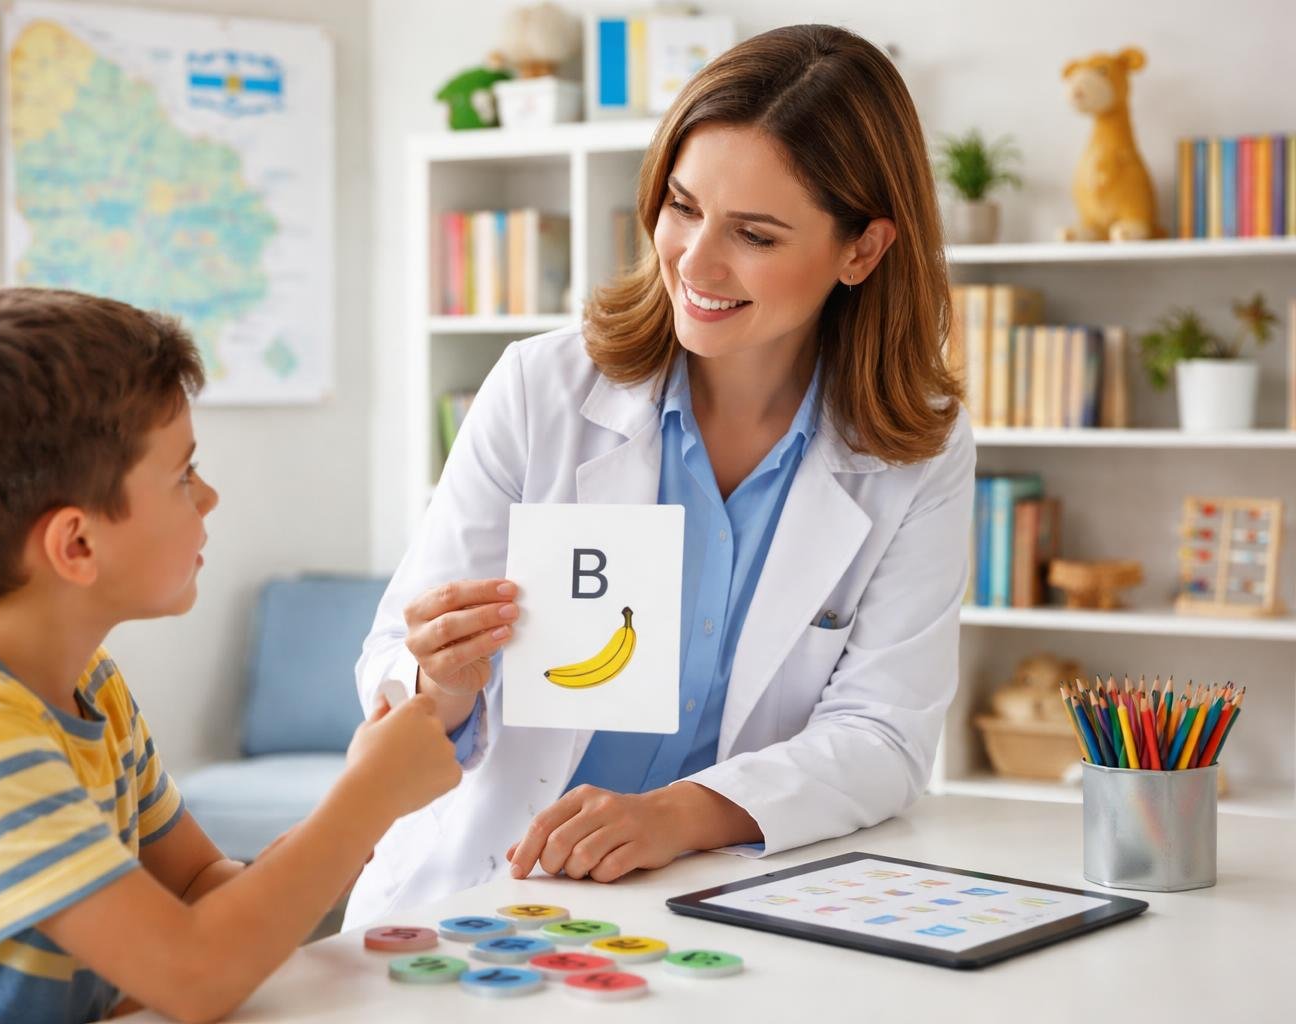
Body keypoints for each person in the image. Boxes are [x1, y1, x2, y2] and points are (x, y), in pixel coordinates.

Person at [345, 24, 974, 927]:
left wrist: (676, 817)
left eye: (754, 234)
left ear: (863, 251)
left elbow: (882, 735)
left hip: (711, 905)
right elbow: (391, 667)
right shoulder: (541, 389)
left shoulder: (920, 446)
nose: (696, 262)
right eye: (682, 207)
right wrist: (440, 685)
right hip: (479, 893)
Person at [0, 289, 461, 1024]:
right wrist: (368, 799)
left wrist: (364, 800)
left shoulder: (84, 682)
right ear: (78, 545)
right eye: (183, 476)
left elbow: (197, 886)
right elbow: (192, 977)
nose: (211, 496)